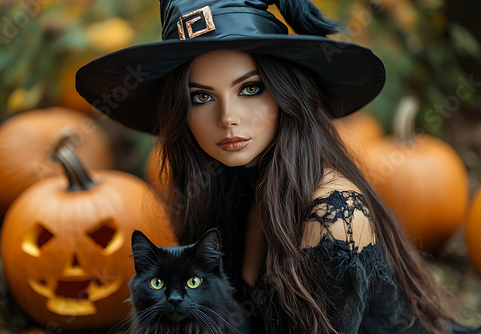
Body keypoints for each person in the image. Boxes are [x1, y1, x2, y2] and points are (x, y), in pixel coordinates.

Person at [76, 0, 481, 333]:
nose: (227, 118)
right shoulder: (228, 179)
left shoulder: (333, 212)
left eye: (250, 89)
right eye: (201, 97)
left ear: (286, 95)